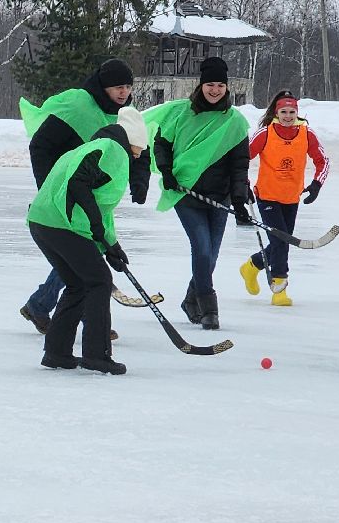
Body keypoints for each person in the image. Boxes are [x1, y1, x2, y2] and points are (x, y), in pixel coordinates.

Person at [17, 57, 146, 332]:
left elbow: (137, 147)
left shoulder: (123, 114)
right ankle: (87, 317)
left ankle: (41, 305)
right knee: (83, 256)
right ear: (103, 86)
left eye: (127, 87)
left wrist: (139, 181)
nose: (123, 93)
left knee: (82, 254)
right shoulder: (78, 105)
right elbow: (39, 145)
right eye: (117, 87)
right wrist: (50, 189)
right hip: (62, 191)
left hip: (87, 191)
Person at [25, 115, 148, 374]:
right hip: (62, 224)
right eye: (140, 148)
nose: (140, 155)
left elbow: (99, 206)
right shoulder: (113, 149)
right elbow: (78, 183)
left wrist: (111, 246)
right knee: (99, 282)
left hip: (42, 221)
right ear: (133, 138)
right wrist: (95, 227)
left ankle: (57, 353)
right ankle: (97, 355)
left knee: (78, 284)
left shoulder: (95, 146)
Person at [147, 56, 252, 330]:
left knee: (211, 256)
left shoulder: (235, 122)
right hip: (187, 195)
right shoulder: (182, 113)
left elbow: (240, 166)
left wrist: (239, 199)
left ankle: (190, 300)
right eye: (210, 84)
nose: (215, 90)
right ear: (201, 85)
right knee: (202, 250)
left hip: (220, 197)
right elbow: (162, 144)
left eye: (220, 85)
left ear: (227, 87)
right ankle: (209, 308)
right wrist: (166, 171)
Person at [238, 90, 329, 306]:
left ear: (297, 112)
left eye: (292, 111)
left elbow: (323, 161)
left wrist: (316, 184)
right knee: (281, 241)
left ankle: (252, 266)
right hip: (267, 197)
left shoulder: (307, 134)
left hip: (291, 197)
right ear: (276, 113)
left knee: (281, 241)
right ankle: (279, 288)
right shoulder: (265, 134)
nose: (288, 116)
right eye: (283, 112)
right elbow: (242, 159)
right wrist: (244, 184)